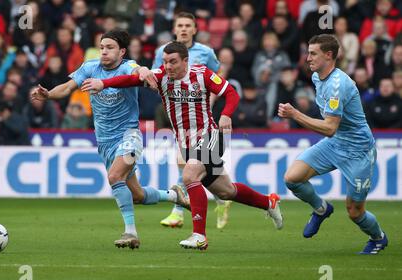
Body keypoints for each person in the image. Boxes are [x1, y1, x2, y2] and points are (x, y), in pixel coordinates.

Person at [81, 41, 284, 250]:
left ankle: (199, 236)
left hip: (212, 135)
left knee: (189, 176)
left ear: (186, 60)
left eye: (173, 62)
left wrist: (225, 115)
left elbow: (231, 93)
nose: (168, 66)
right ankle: (269, 202)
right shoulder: (161, 77)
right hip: (187, 144)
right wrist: (104, 84)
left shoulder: (202, 74)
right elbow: (130, 79)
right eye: (165, 62)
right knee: (226, 192)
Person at [31, 29, 190, 250]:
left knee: (115, 176)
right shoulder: (89, 67)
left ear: (122, 51)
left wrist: (144, 71)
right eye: (102, 47)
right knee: (137, 195)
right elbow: (67, 88)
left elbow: (139, 69)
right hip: (104, 141)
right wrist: (48, 94)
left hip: (128, 135)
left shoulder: (127, 66)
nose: (104, 52)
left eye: (110, 48)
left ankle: (130, 233)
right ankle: (175, 195)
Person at [278, 34, 388, 254]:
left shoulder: (338, 85)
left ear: (329, 55)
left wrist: (296, 114)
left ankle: (378, 238)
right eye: (308, 52)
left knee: (354, 212)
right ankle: (321, 209)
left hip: (358, 151)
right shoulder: (319, 77)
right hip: (334, 143)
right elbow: (332, 131)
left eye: (313, 53)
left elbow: (329, 127)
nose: (307, 58)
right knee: (292, 178)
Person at [152, 11, 233, 230]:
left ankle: (179, 212)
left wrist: (214, 102)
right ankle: (221, 198)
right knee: (201, 171)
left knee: (187, 167)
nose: (184, 29)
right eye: (180, 25)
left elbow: (218, 77)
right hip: (178, 114)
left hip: (202, 116)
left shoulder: (205, 52)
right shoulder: (163, 51)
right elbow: (154, 77)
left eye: (188, 25)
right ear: (175, 29)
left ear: (195, 29)